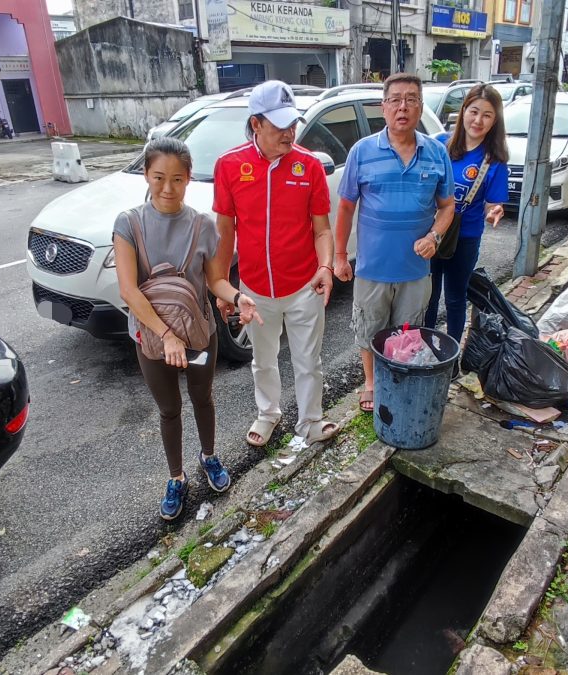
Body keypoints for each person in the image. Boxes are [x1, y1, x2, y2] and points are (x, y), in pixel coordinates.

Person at [113, 137, 261, 520]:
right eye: (159, 177)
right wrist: (166, 335)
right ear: (146, 174)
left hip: (199, 335)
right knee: (169, 410)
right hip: (151, 337)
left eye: (177, 179)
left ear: (189, 178)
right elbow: (129, 290)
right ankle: (177, 477)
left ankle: (209, 456)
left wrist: (237, 295)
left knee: (203, 397)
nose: (167, 188)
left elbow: (214, 282)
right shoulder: (128, 224)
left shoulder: (202, 225)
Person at [212, 81, 339, 447]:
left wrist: (326, 266)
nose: (289, 132)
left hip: (304, 287)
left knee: (308, 362)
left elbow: (322, 230)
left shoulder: (309, 166)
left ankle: (311, 421)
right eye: (279, 125)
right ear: (256, 124)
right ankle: (268, 413)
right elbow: (225, 233)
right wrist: (224, 288)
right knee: (263, 360)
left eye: (292, 124)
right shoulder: (230, 166)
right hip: (255, 291)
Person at [333, 72, 455, 413]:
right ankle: (371, 383)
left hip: (416, 269)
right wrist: (340, 257)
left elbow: (447, 208)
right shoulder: (362, 151)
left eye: (412, 99)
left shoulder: (436, 153)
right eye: (396, 99)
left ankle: (400, 378)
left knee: (408, 329)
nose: (403, 107)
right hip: (372, 266)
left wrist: (434, 236)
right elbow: (345, 207)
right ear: (384, 107)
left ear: (420, 106)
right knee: (370, 327)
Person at [425, 84, 510, 345]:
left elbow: (493, 204)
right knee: (427, 295)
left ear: (495, 120)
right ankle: (426, 351)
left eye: (487, 115)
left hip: (465, 238)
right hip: (432, 233)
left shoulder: (494, 160)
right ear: (463, 112)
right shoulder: (439, 145)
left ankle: (450, 357)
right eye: (474, 111)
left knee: (454, 297)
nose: (478, 120)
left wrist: (495, 210)